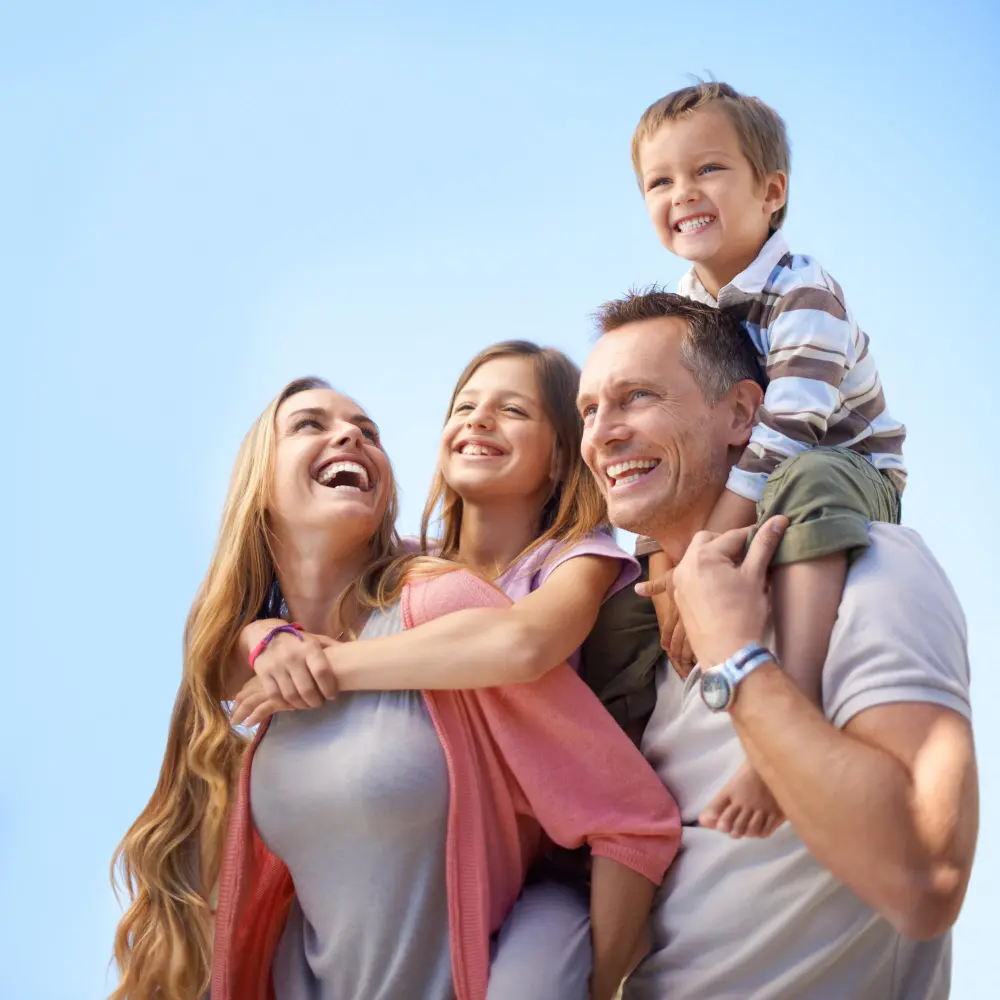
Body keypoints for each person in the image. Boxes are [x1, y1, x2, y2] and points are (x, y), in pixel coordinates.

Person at [109, 376, 680, 1000]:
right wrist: (263, 636)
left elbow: (630, 818)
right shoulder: (268, 669)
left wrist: (595, 984)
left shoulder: (442, 610)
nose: (350, 436)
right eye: (309, 424)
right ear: (259, 486)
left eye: (368, 433)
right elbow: (210, 656)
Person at [576, 290, 977, 998]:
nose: (602, 433)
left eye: (638, 396)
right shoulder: (631, 642)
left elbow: (925, 882)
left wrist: (738, 659)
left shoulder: (873, 569)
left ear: (742, 414)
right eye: (588, 410)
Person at [630, 80, 908, 833]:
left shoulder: (804, 291)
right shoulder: (682, 310)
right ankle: (620, 777)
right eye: (660, 181)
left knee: (807, 479)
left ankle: (798, 708)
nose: (683, 193)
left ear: (771, 192)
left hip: (843, 468)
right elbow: (665, 435)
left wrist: (702, 551)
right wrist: (661, 560)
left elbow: (789, 430)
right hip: (743, 483)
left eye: (708, 169)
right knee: (629, 577)